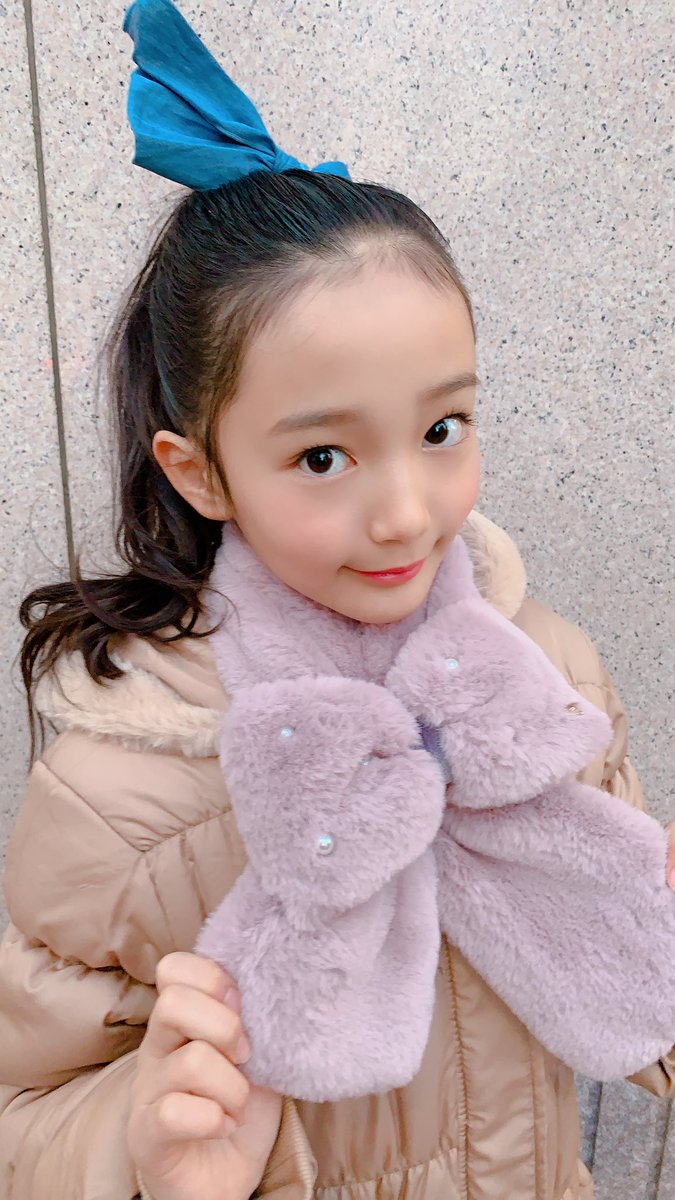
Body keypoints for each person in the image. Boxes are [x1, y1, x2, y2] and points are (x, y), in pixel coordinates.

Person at [1, 2, 674, 1198]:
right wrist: (139, 1139)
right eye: (324, 456)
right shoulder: (121, 790)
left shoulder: (544, 670)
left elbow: (629, 986)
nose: (407, 511)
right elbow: (24, 1111)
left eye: (442, 428)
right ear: (200, 471)